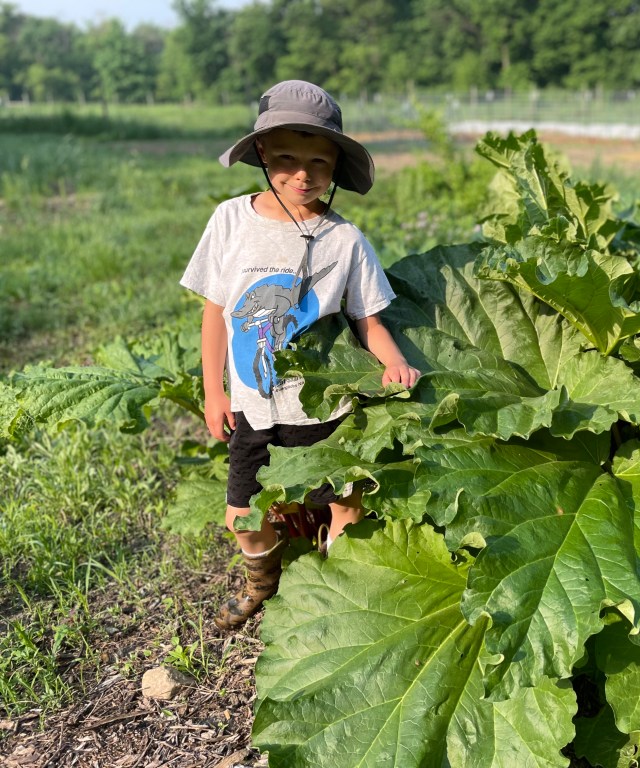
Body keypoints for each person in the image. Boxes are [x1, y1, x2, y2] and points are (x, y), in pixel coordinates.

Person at [180, 80, 419, 631]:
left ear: (336, 165)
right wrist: (214, 391)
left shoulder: (345, 240)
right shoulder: (231, 220)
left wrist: (393, 362)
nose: (303, 175)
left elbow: (369, 320)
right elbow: (216, 310)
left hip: (323, 411)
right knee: (243, 517)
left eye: (319, 161)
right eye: (286, 158)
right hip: (253, 408)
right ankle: (262, 584)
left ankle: (336, 593)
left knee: (346, 508)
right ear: (262, 153)